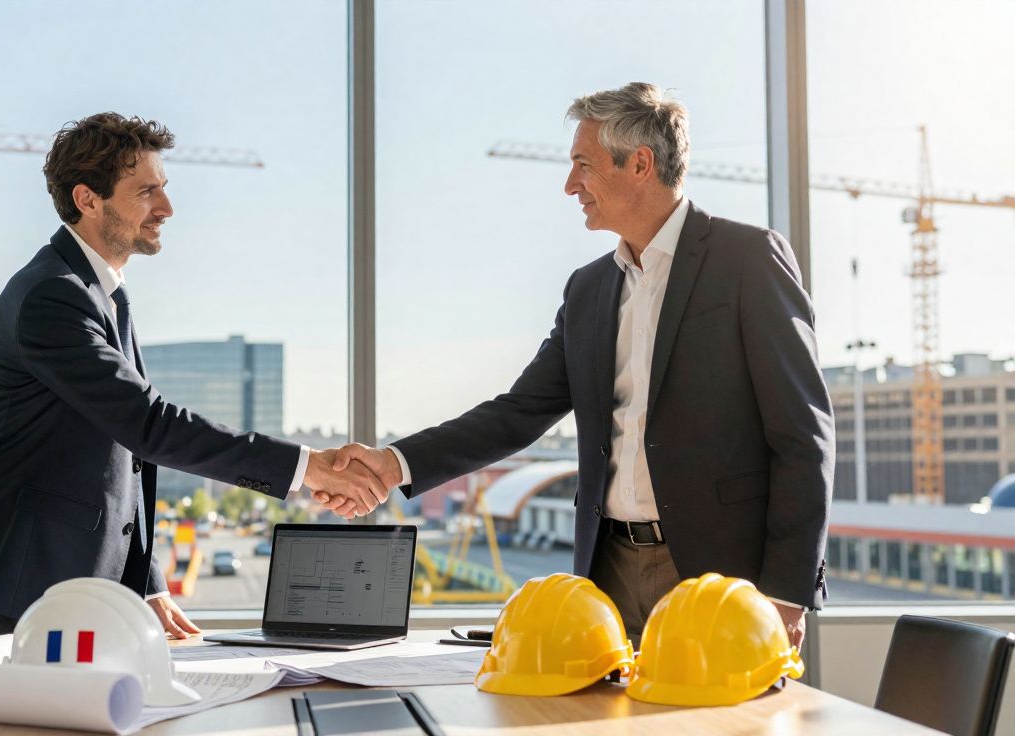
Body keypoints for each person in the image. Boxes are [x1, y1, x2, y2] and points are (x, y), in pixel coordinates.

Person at [320, 83, 833, 648]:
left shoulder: (747, 259)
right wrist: (393, 464)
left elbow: (803, 434)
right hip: (606, 574)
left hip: (721, 579)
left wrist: (787, 593)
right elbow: (518, 413)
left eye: (582, 165)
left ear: (640, 163)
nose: (570, 186)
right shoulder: (588, 289)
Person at [0, 112, 387, 641]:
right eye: (146, 191)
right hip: (18, 593)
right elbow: (149, 425)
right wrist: (307, 467)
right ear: (88, 199)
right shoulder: (51, 297)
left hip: (75, 595)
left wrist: (145, 581)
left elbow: (126, 461)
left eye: (164, 189)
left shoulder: (98, 295)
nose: (167, 208)